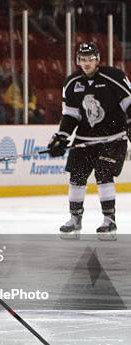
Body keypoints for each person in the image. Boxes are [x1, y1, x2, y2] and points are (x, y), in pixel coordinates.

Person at [48, 43, 131, 240]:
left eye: (90, 59)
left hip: (114, 137)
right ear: (78, 61)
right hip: (85, 138)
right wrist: (62, 136)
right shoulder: (71, 83)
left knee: (104, 172)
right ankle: (75, 219)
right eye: (83, 59)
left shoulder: (114, 77)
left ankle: (109, 220)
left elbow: (129, 102)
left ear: (97, 59)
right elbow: (71, 115)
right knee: (76, 177)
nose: (86, 63)